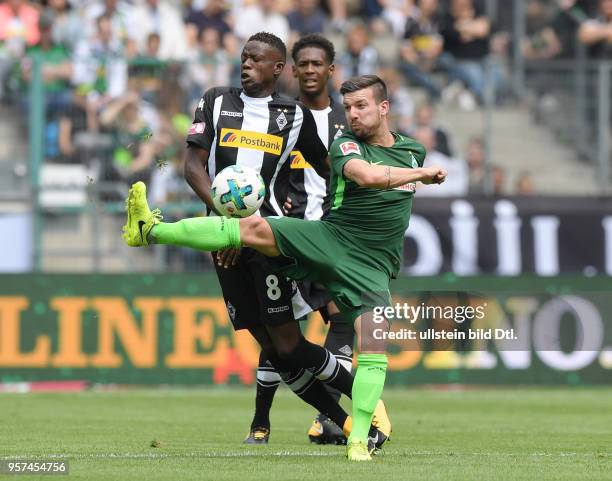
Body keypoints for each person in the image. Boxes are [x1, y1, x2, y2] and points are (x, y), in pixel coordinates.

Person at [123, 73, 447, 461]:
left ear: (384, 107)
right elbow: (369, 177)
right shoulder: (346, 144)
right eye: (349, 108)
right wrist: (422, 175)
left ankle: (358, 439)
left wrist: (418, 168)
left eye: (361, 106)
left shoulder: (412, 150)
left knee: (375, 347)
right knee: (253, 228)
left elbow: (393, 175)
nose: (354, 115)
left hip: (373, 266)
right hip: (332, 240)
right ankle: (151, 230)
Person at [244, 34, 354, 447]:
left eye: (316, 64)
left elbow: (350, 172)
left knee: (343, 316)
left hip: (333, 237)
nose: (309, 71)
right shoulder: (278, 116)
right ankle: (261, 419)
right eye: (302, 64)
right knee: (279, 331)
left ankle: (330, 417)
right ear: (291, 69)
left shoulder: (347, 119)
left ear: (330, 69)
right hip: (289, 237)